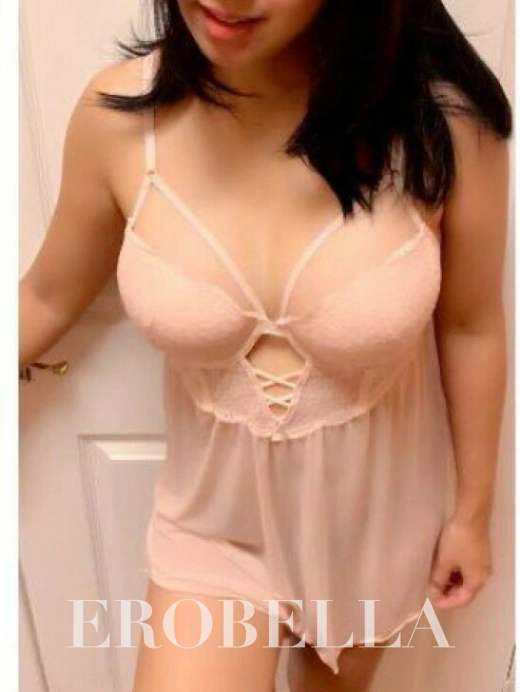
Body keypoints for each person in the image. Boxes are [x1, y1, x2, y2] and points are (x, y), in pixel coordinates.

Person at [19, 0, 512, 690]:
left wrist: (473, 515)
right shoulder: (119, 120)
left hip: (379, 524)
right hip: (214, 527)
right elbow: (44, 296)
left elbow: (470, 325)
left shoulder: (445, 127)